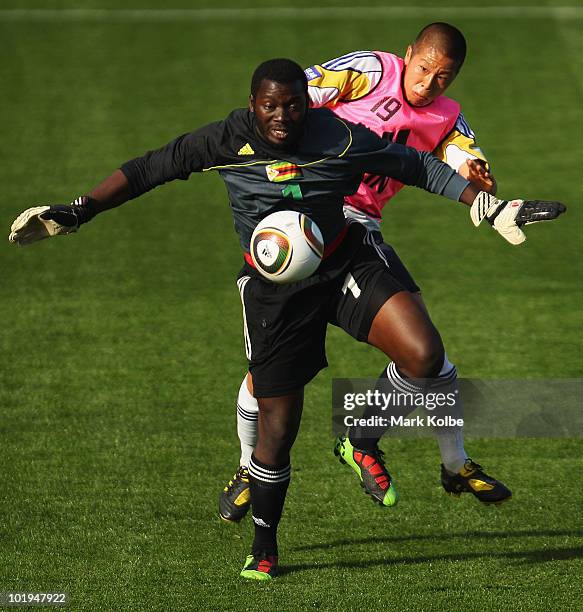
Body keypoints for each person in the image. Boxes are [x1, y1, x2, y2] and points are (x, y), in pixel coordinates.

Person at [9, 59, 564, 581]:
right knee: (279, 431)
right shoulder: (226, 139)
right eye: (270, 108)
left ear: (309, 104)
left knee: (423, 355)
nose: (282, 119)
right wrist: (80, 210)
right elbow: (152, 167)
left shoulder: (339, 136)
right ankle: (265, 546)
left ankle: (361, 431)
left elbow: (413, 164)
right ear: (253, 105)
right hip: (275, 291)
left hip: (344, 259)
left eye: (293, 106)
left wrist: (484, 204)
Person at [221, 23, 503, 525]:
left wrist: (479, 177)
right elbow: (295, 96)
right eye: (423, 69)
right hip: (300, 214)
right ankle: (252, 468)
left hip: (355, 228)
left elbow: (466, 162)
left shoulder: (449, 119)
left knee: (423, 352)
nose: (428, 84)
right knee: (270, 372)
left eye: (444, 77)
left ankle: (392, 445)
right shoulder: (370, 71)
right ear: (409, 53)